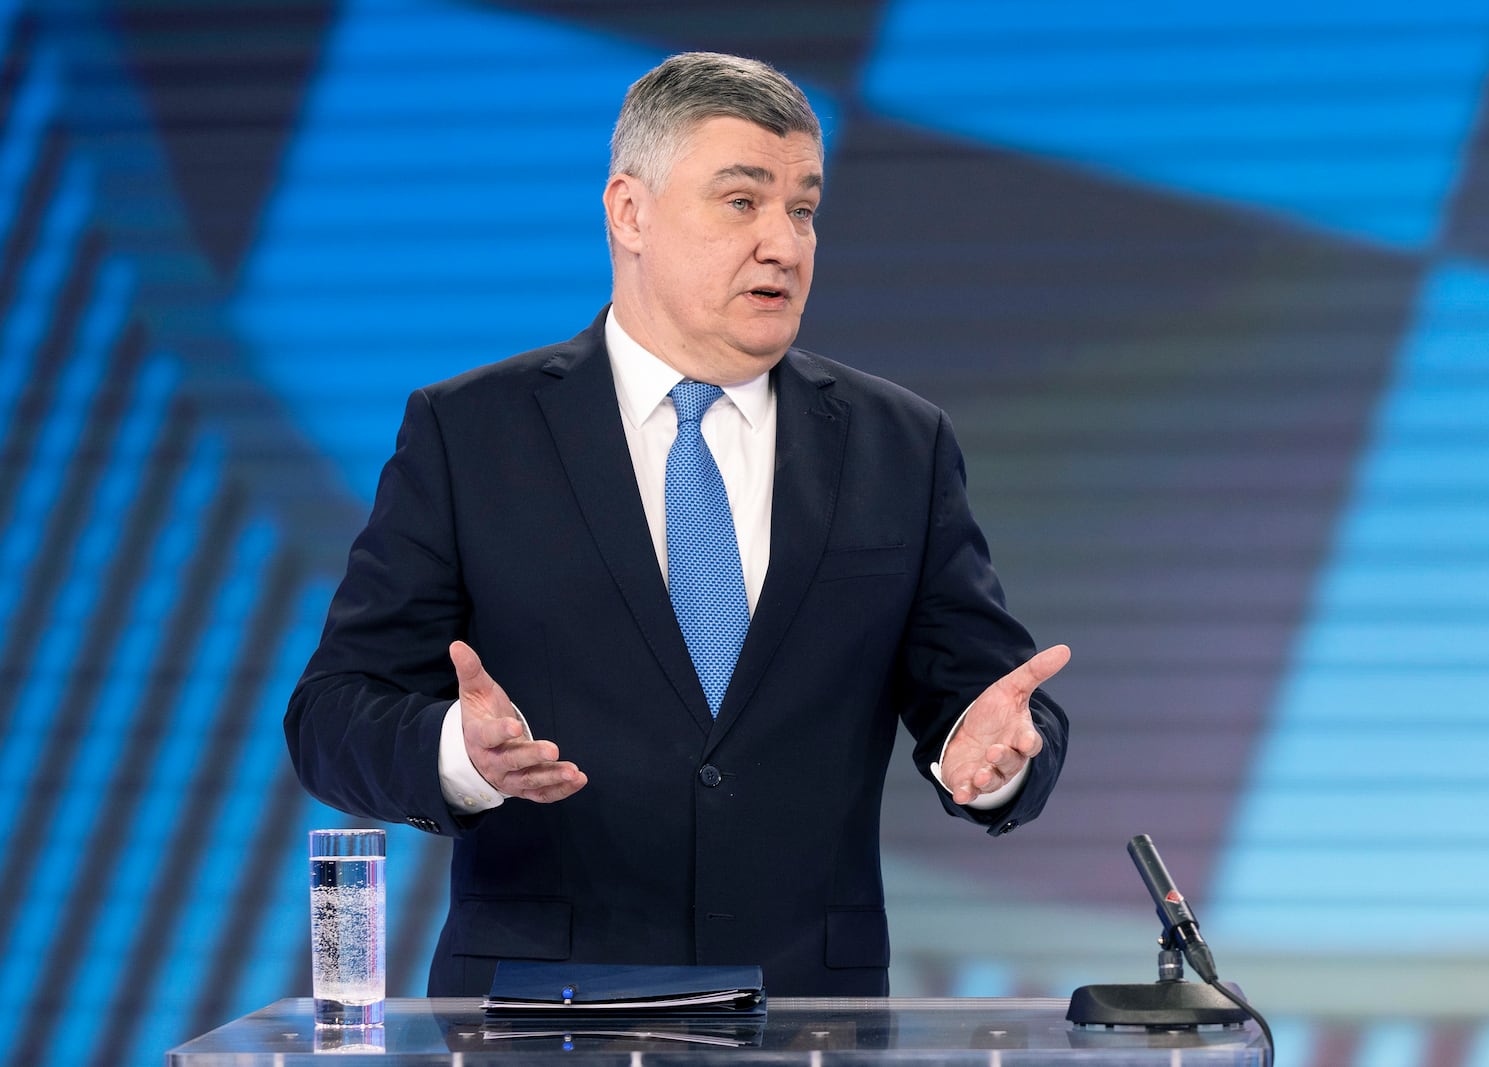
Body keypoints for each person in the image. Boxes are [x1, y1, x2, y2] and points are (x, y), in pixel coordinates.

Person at [285, 51, 1070, 998]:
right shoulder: (470, 433)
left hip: (809, 1016)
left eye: (804, 208)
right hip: (543, 1015)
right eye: (742, 202)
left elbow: (986, 696)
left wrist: (991, 760)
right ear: (630, 212)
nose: (783, 242)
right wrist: (459, 752)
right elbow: (330, 713)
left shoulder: (898, 443)